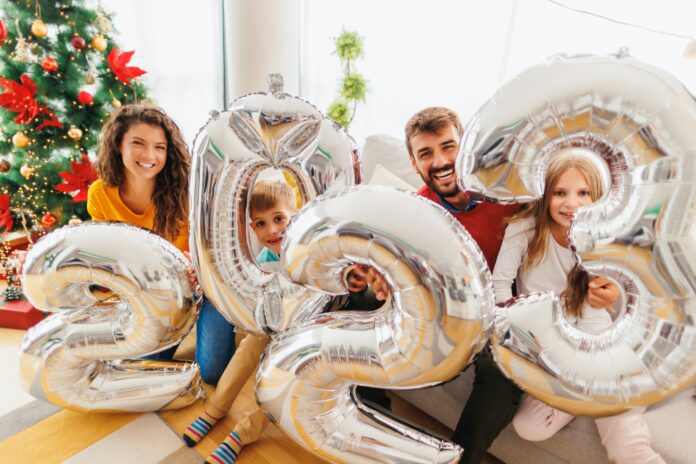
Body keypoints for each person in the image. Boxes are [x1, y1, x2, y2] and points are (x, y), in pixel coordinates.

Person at [404, 107, 620, 464]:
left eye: (449, 147)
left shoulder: (508, 192)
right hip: (454, 310)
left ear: (467, 146)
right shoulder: (414, 209)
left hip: (507, 313)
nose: (441, 161)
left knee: (500, 365)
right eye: (426, 153)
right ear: (413, 163)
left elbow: (568, 195)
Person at [495, 153, 663, 464]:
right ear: (546, 196)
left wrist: (615, 296)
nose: (570, 203)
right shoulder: (524, 230)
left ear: (597, 197)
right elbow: (500, 286)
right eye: (560, 193)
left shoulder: (608, 239)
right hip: (550, 346)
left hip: (597, 336)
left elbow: (632, 303)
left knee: (625, 440)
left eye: (583, 193)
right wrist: (514, 332)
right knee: (529, 426)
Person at [87, 103, 236, 385]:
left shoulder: (187, 190)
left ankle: (205, 330)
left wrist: (196, 260)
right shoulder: (100, 194)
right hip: (153, 292)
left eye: (160, 147)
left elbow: (215, 242)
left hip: (204, 285)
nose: (150, 155)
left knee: (213, 373)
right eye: (138, 144)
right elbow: (107, 255)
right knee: (146, 367)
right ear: (118, 145)